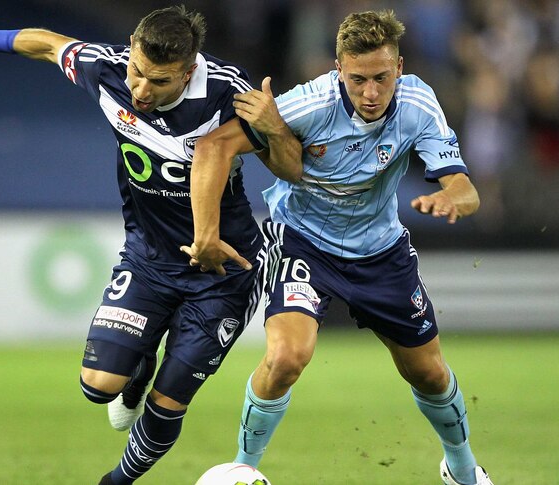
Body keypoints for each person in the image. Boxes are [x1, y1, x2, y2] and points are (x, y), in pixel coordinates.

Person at [0, 6, 300, 484]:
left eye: (160, 82)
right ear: (130, 47)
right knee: (98, 386)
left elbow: (291, 167)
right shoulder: (107, 69)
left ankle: (116, 481)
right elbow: (48, 43)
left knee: (170, 399)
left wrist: (273, 127)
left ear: (189, 71)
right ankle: (137, 365)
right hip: (148, 259)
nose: (141, 91)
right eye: (138, 72)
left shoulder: (230, 91)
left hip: (222, 271)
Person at [184, 9, 494, 485]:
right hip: (303, 242)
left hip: (381, 251)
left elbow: (466, 190)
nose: (371, 93)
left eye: (381, 78)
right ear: (337, 70)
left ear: (400, 67)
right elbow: (213, 147)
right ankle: (242, 468)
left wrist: (452, 194)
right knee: (287, 357)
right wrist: (205, 231)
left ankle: (461, 468)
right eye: (357, 80)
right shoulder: (308, 104)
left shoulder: (419, 104)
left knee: (430, 374)